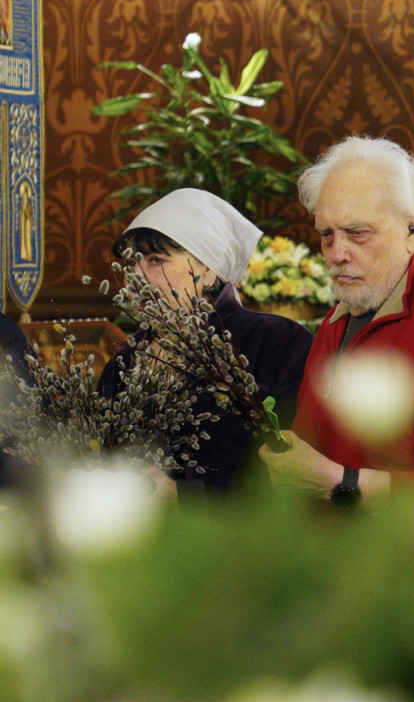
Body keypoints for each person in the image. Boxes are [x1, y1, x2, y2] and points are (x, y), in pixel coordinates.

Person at [260, 136, 414, 506]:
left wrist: (341, 483)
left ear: (412, 231)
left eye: (358, 233)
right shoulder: (336, 319)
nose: (337, 254)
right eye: (326, 235)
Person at [98, 188, 314, 491]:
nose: (136, 278)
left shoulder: (275, 342)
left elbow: (296, 469)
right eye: (131, 264)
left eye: (156, 260)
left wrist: (184, 497)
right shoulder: (126, 359)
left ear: (208, 271)